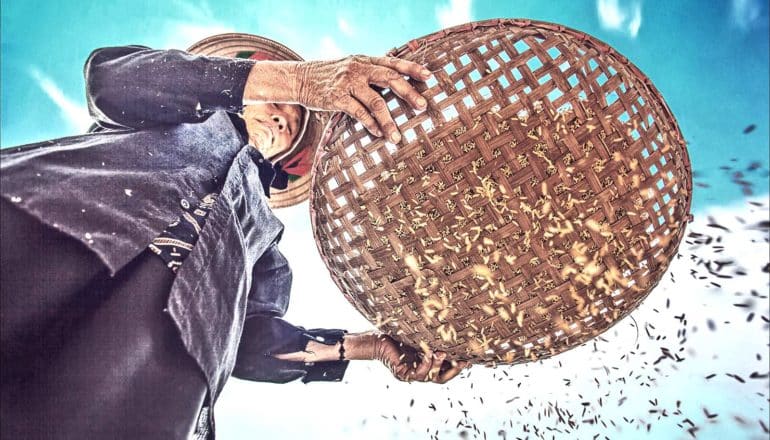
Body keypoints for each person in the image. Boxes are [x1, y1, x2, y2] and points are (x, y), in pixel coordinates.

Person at [0, 34, 468, 439]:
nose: (285, 116)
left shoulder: (265, 244)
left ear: (291, 159)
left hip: (152, 361)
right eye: (277, 100)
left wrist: (371, 347)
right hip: (35, 230)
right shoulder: (160, 111)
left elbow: (253, 346)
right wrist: (301, 81)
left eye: (296, 119)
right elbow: (109, 78)